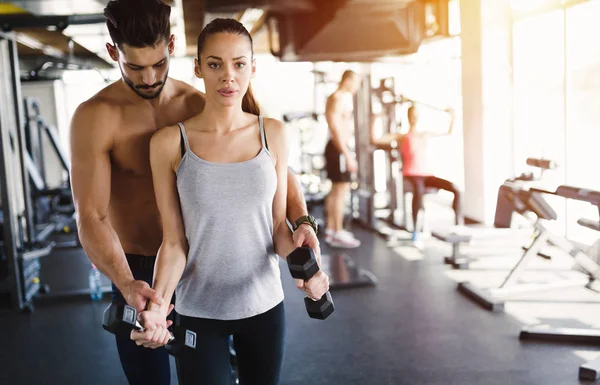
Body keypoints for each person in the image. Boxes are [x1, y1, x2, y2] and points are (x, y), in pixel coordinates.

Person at [69, 2, 321, 384]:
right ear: (112, 53)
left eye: (158, 63)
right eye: (134, 67)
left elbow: (271, 167)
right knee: (150, 377)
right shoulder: (96, 116)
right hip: (138, 265)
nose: (150, 77)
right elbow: (91, 217)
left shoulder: (202, 98)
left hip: (211, 260)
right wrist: (126, 283)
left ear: (172, 46)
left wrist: (301, 221)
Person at [371, 104, 463, 243]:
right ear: (408, 117)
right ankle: (416, 230)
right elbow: (375, 139)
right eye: (412, 115)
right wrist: (375, 119)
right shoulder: (402, 136)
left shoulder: (424, 134)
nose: (414, 118)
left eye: (416, 115)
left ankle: (458, 226)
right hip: (410, 174)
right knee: (418, 192)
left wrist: (453, 116)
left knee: (456, 189)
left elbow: (449, 132)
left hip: (426, 175)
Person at [324, 70, 362, 248]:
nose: (357, 87)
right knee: (341, 191)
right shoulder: (337, 98)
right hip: (338, 148)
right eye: (356, 82)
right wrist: (346, 154)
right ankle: (337, 231)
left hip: (338, 148)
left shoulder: (337, 98)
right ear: (347, 80)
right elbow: (335, 128)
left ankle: (332, 230)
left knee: (336, 190)